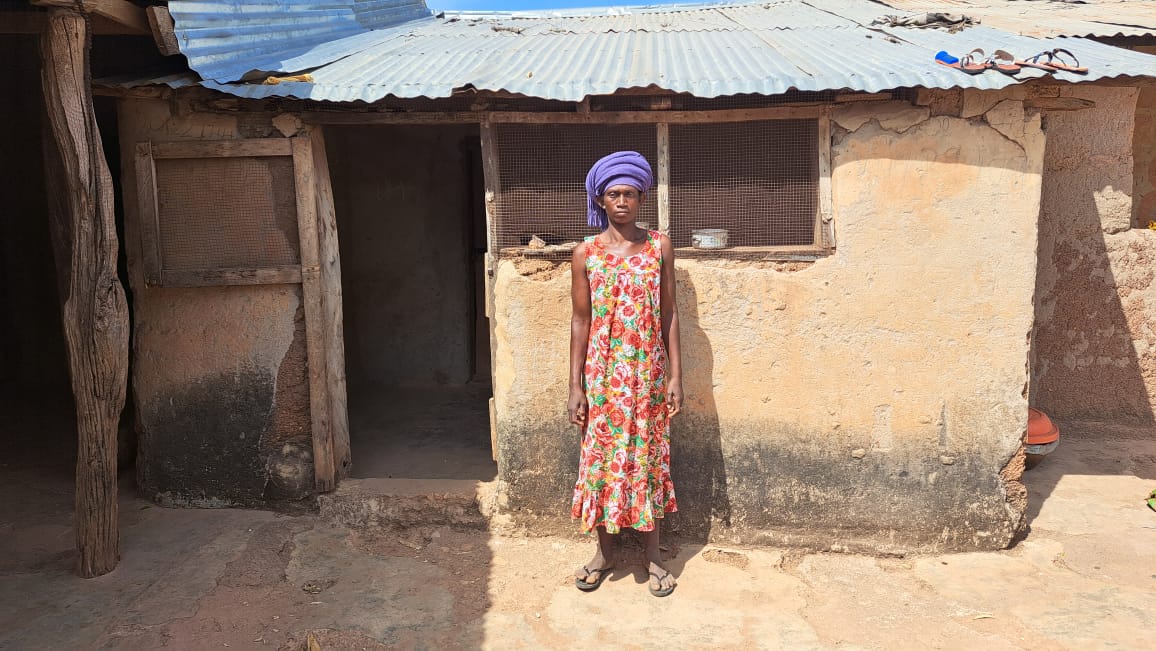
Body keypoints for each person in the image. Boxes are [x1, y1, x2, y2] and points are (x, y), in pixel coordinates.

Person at [568, 150, 682, 598]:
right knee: (601, 460)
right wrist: (575, 386)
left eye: (630, 194)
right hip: (602, 379)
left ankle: (653, 556)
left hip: (647, 376)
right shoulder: (586, 253)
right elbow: (580, 320)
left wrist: (675, 376)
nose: (621, 201)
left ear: (641, 199)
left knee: (647, 458)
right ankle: (605, 554)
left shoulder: (659, 247)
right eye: (613, 194)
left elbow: (669, 314)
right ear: (600, 200)